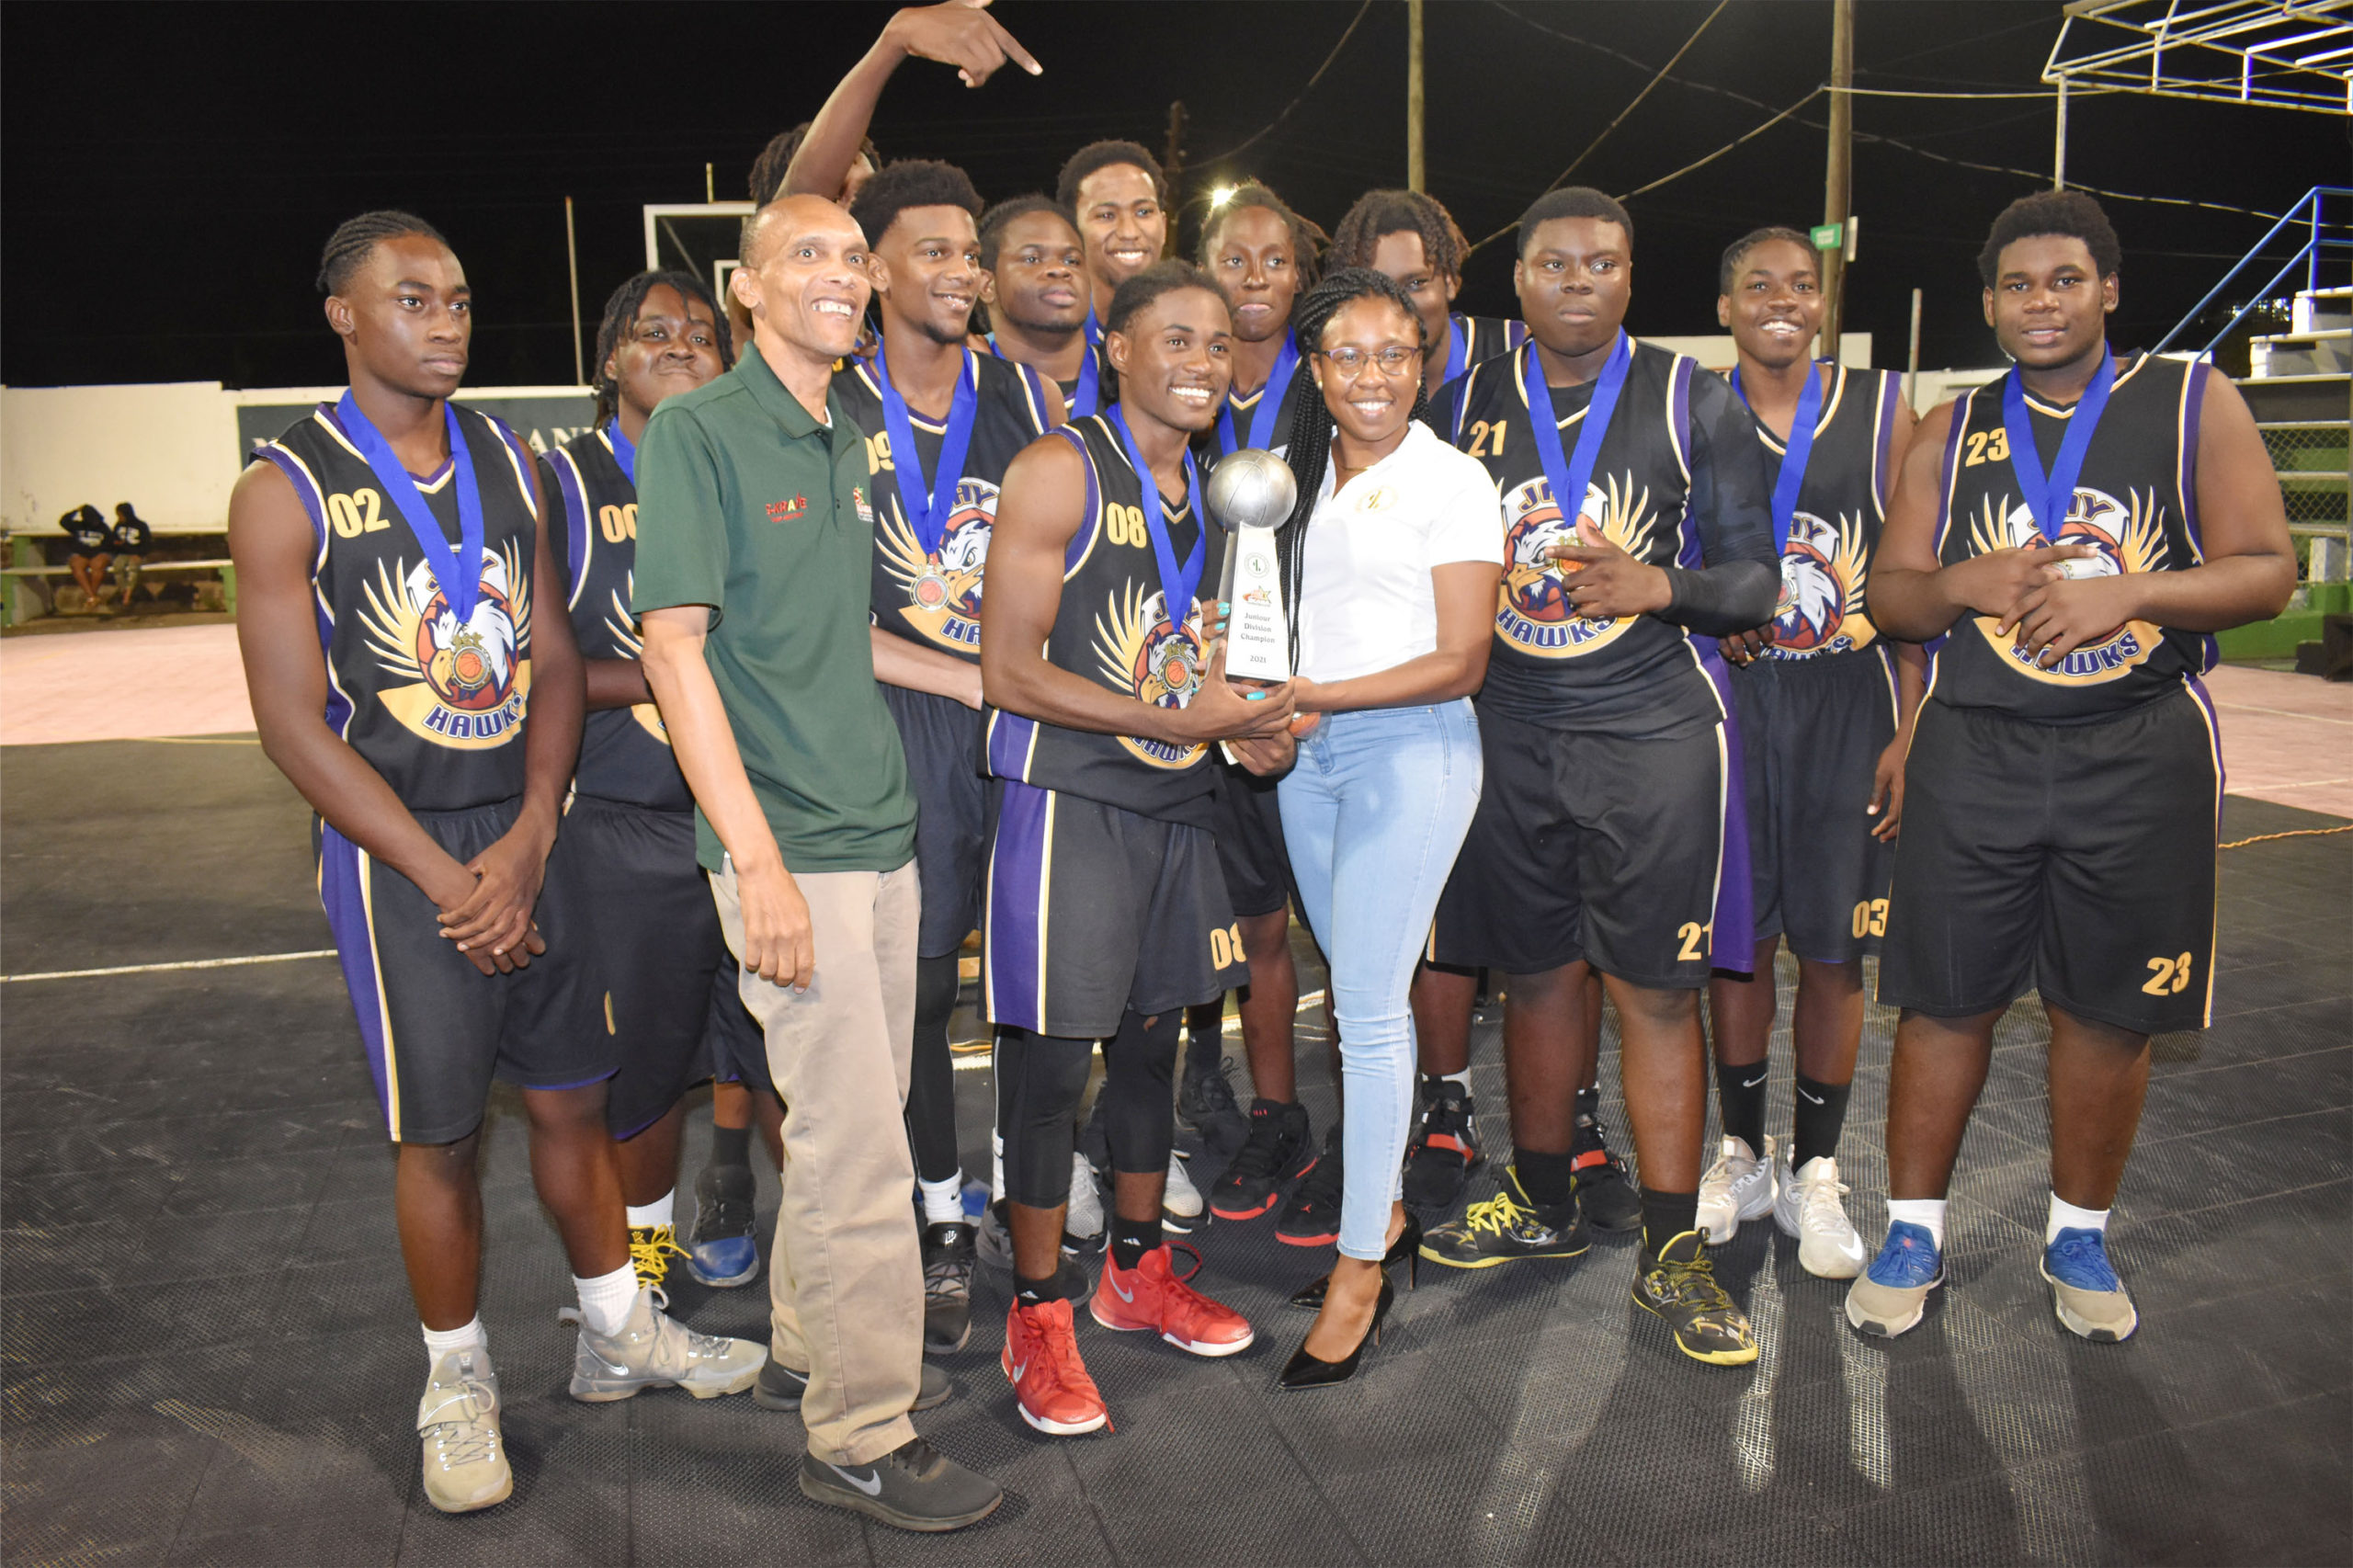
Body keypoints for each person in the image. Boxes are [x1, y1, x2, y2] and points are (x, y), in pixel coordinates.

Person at [230, 211, 763, 1518]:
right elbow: (292, 725)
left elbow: (556, 661)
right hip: (397, 856)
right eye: (412, 299)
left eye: (460, 300)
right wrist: (446, 873)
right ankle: (456, 1380)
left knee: (576, 1100)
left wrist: (530, 834)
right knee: (443, 1133)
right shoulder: (283, 486)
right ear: (344, 314)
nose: (447, 321)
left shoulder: (511, 460)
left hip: (529, 835)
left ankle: (615, 1331)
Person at [1847, 191, 2293, 1344]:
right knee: (1945, 999)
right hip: (1976, 747)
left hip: (2135, 750)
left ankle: (2078, 1232)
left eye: (2063, 280)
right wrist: (1960, 583)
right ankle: (1912, 1230)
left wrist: (2129, 591)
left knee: (2106, 1009)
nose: (2039, 302)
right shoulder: (1950, 428)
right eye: (2016, 285)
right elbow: (1890, 597)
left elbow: (2266, 570)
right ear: (1990, 303)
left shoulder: (2193, 398)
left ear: (2107, 290)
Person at [633, 193, 1001, 1531]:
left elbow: (845, 632)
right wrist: (757, 862)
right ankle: (857, 1433)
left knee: (857, 1128)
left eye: (854, 257)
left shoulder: (842, 429)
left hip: (879, 836)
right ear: (747, 287)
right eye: (808, 255)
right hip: (794, 851)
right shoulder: (699, 431)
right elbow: (674, 648)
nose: (841, 275)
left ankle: (807, 1349)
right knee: (857, 1156)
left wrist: (983, 680)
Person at [1413, 187, 1780, 1369]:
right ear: (1517, 279)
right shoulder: (1456, 403)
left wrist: (1658, 585)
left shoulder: (1692, 396)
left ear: (1630, 277)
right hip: (1506, 731)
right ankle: (1540, 1193)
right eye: (1557, 264)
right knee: (1532, 975)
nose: (1580, 282)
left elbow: (1757, 581)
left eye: (1604, 264)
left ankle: (1673, 1251)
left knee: (1655, 992)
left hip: (1650, 734)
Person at [979, 260, 1294, 1437]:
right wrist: (1184, 721)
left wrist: (1250, 730)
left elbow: (1203, 665)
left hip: (1177, 802)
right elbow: (1006, 669)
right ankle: (1036, 1313)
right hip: (1070, 803)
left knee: (1152, 1052)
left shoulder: (1220, 496)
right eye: (1175, 339)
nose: (1202, 363)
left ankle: (1134, 1269)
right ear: (1117, 349)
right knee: (1052, 1072)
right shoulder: (1058, 467)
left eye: (1217, 344)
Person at [1336, 205, 1619, 1224]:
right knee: (1442, 918)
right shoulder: (1397, 393)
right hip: (1449, 688)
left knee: (1569, 925)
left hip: (1571, 687)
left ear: (1453, 280)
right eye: (1380, 283)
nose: (1403, 302)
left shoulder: (1523, 356)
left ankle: (1575, 1115)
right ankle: (1446, 1107)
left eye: (1418, 281)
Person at [1260, 268, 1503, 1388]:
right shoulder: (1286, 474)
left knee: (1363, 1007)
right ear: (1315, 368)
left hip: (1411, 749)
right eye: (1348, 355)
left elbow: (1462, 658)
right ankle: (1386, 1210)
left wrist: (1313, 694)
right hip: (1305, 759)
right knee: (1358, 990)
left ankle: (1359, 1266)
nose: (1373, 375)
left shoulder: (1451, 478)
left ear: (1424, 362)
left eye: (1394, 353)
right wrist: (1260, 705)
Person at [835, 158, 1061, 1356]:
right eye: (933, 250)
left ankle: (1028, 1190)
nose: (963, 271)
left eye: (970, 251)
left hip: (1016, 721)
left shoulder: (1022, 390)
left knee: (1032, 976)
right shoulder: (828, 397)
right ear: (871, 269)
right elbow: (815, 612)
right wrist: (974, 676)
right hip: (898, 723)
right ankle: (935, 1210)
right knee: (918, 988)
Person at [540, 269, 785, 1298]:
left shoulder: (755, 470)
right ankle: (642, 1282)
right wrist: (678, 669)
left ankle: (822, 1272)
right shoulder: (560, 484)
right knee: (639, 1085)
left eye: (701, 332)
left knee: (787, 1063)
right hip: (630, 832)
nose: (682, 343)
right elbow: (537, 663)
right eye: (653, 330)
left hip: (762, 823)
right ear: (610, 360)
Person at [1698, 227, 1921, 1278]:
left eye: (1800, 284)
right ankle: (1741, 1153)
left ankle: (1818, 1169)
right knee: (1737, 942)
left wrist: (1912, 725)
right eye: (1758, 284)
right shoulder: (1694, 408)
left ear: (1824, 302)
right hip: (1733, 698)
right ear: (1725, 305)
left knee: (1834, 948)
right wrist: (1710, 611)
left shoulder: (1883, 410)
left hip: (1846, 700)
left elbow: (1915, 578)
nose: (1780, 300)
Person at [1189, 181, 1335, 1238]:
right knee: (1258, 925)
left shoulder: (1328, 383)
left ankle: (1377, 1130)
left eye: (1274, 260)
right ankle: (1276, 1113)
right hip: (1211, 695)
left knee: (1354, 930)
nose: (1253, 277)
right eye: (1232, 259)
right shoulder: (1180, 384)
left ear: (1300, 274)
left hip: (1322, 691)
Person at [1327, 187, 1528, 403]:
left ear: (1450, 281)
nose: (1398, 307)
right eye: (1375, 288)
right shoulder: (1336, 379)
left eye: (1415, 284)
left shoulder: (1517, 350)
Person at [979, 195, 1105, 417]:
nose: (1060, 269)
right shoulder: (957, 385)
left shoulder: (1131, 379)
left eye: (1072, 261)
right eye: (1032, 259)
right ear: (986, 285)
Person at [1055, 140, 1168, 337]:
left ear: (1164, 226)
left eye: (1143, 212)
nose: (1129, 232)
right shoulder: (1042, 338)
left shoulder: (1199, 329)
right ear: (1070, 232)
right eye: (1106, 215)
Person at [59, 505, 110, 613]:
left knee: (98, 567)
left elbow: (108, 544)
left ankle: (91, 597)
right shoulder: (77, 526)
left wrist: (99, 553)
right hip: (81, 553)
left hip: (97, 552)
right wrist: (76, 510)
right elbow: (63, 521)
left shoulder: (103, 527)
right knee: (77, 567)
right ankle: (92, 597)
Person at [107, 503, 152, 609]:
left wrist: (140, 554)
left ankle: (128, 595)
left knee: (132, 569)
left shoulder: (141, 526)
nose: (119, 517)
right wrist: (116, 544)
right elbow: (114, 539)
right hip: (123, 553)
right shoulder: (118, 525)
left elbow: (147, 543)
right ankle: (123, 591)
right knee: (118, 567)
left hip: (136, 553)